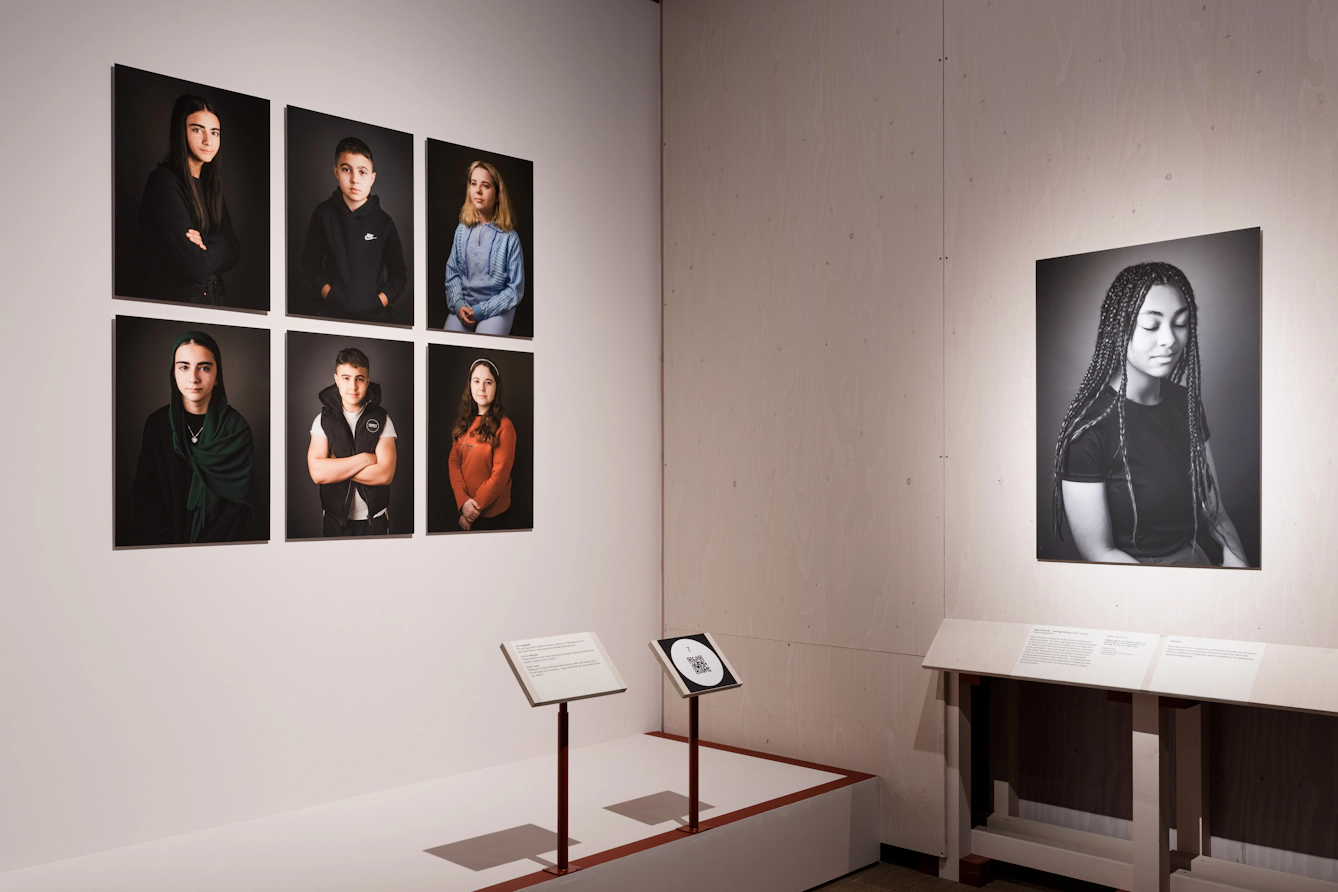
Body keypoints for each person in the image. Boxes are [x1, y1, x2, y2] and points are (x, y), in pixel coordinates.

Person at [1052, 261, 1248, 567]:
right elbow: (1098, 552)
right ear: (1119, 328)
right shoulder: (1088, 429)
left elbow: (1215, 511)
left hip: (1198, 566)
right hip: (1133, 587)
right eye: (1151, 326)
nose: (1169, 339)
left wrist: (1238, 564)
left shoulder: (1187, 403)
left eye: (1181, 323)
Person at [132, 331, 255, 544]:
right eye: (184, 367)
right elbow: (146, 495)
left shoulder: (236, 428)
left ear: (217, 376)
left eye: (204, 367)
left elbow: (240, 505)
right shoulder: (157, 425)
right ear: (174, 373)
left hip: (221, 548)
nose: (193, 378)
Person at [139, 95, 240, 304]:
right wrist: (222, 241)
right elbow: (197, 264)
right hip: (179, 303)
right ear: (181, 132)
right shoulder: (163, 183)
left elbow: (235, 252)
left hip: (212, 300)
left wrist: (210, 244)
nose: (207, 140)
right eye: (197, 129)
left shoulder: (211, 188)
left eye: (214, 132)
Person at [300, 137, 407, 323]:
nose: (354, 179)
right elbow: (310, 264)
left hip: (376, 314)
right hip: (330, 310)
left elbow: (399, 276)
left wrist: (377, 302)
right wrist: (331, 295)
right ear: (336, 171)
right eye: (346, 169)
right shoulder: (323, 214)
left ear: (372, 178)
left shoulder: (384, 223)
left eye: (362, 172)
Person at [307, 347, 398, 536]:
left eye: (359, 378)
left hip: (375, 520)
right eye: (346, 378)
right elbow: (317, 473)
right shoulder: (322, 421)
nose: (353, 387)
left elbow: (385, 474)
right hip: (335, 520)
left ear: (367, 381)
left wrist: (336, 467)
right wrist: (365, 459)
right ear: (336, 380)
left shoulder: (383, 419)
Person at [443, 161, 525, 336]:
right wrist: (458, 305)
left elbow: (514, 290)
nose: (478, 191)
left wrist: (482, 310)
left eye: (485, 186)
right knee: (448, 339)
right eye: (474, 184)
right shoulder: (461, 231)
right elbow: (453, 273)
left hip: (497, 308)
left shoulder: (509, 238)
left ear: (497, 194)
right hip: (464, 305)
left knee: (484, 339)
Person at [448, 358, 516, 530]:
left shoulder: (505, 427)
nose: (482, 388)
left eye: (488, 382)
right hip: (464, 508)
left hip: (491, 518)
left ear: (496, 387)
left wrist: (472, 511)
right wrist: (463, 501)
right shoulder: (464, 422)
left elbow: (499, 477)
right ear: (470, 385)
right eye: (476, 381)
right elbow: (454, 463)